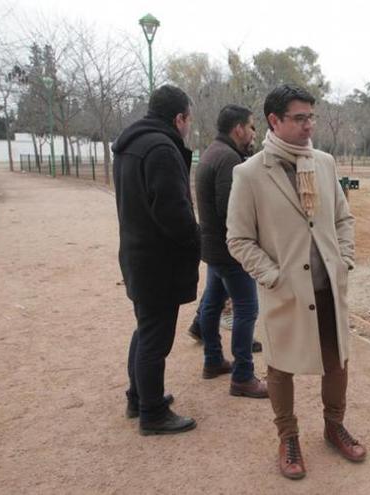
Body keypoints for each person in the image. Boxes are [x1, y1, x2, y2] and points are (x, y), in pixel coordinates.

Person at [227, 84, 366, 480]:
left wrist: (344, 259)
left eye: (311, 117)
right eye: (299, 118)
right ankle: (288, 437)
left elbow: (343, 218)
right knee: (280, 366)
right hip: (285, 291)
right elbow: (238, 238)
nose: (309, 126)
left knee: (336, 359)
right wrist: (272, 276)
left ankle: (334, 425)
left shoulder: (323, 163)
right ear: (274, 120)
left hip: (327, 287)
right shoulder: (250, 173)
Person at [112, 85, 200, 436]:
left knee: (146, 329)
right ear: (179, 118)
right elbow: (173, 211)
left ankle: (138, 397)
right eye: (189, 119)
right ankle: (152, 412)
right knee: (156, 339)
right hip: (159, 262)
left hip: (137, 255)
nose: (189, 126)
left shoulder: (130, 144)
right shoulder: (162, 149)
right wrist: (195, 237)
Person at [194, 104, 267, 398]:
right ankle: (243, 376)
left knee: (212, 302)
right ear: (237, 128)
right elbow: (231, 211)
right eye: (251, 127)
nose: (253, 133)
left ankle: (213, 360)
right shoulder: (228, 159)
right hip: (230, 251)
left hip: (213, 247)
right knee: (247, 308)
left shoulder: (213, 152)